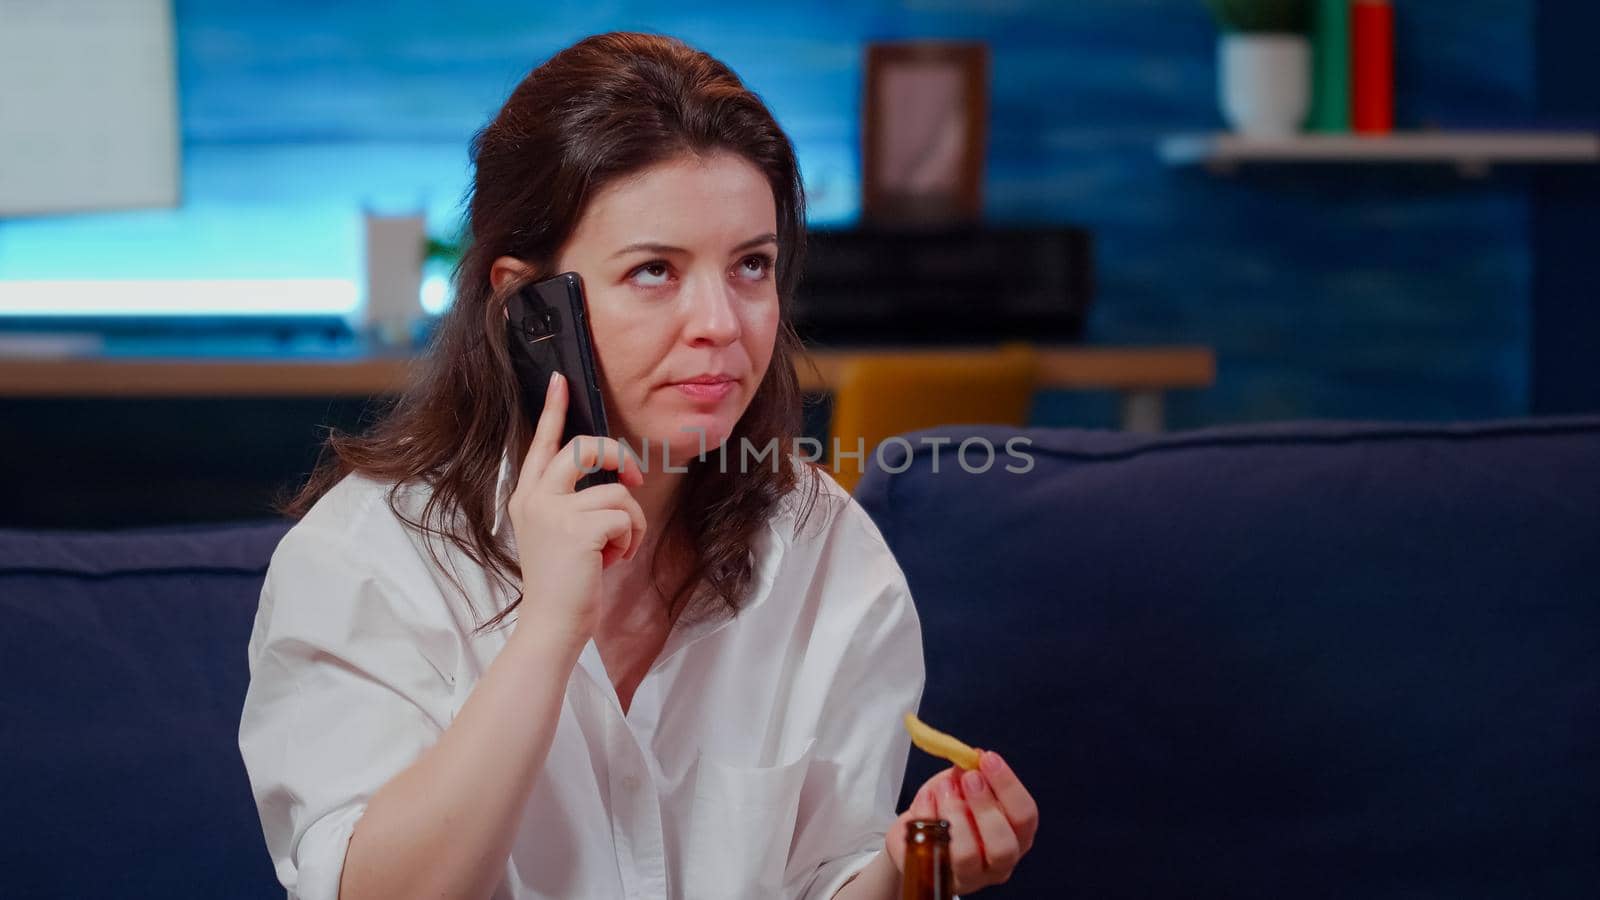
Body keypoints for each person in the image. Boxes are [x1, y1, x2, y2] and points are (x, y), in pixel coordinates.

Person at [237, 31, 1037, 900]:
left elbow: (823, 878)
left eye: (752, 267)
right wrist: (548, 628)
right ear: (527, 304)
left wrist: (908, 870)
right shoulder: (367, 561)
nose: (722, 325)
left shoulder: (820, 547)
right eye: (655, 270)